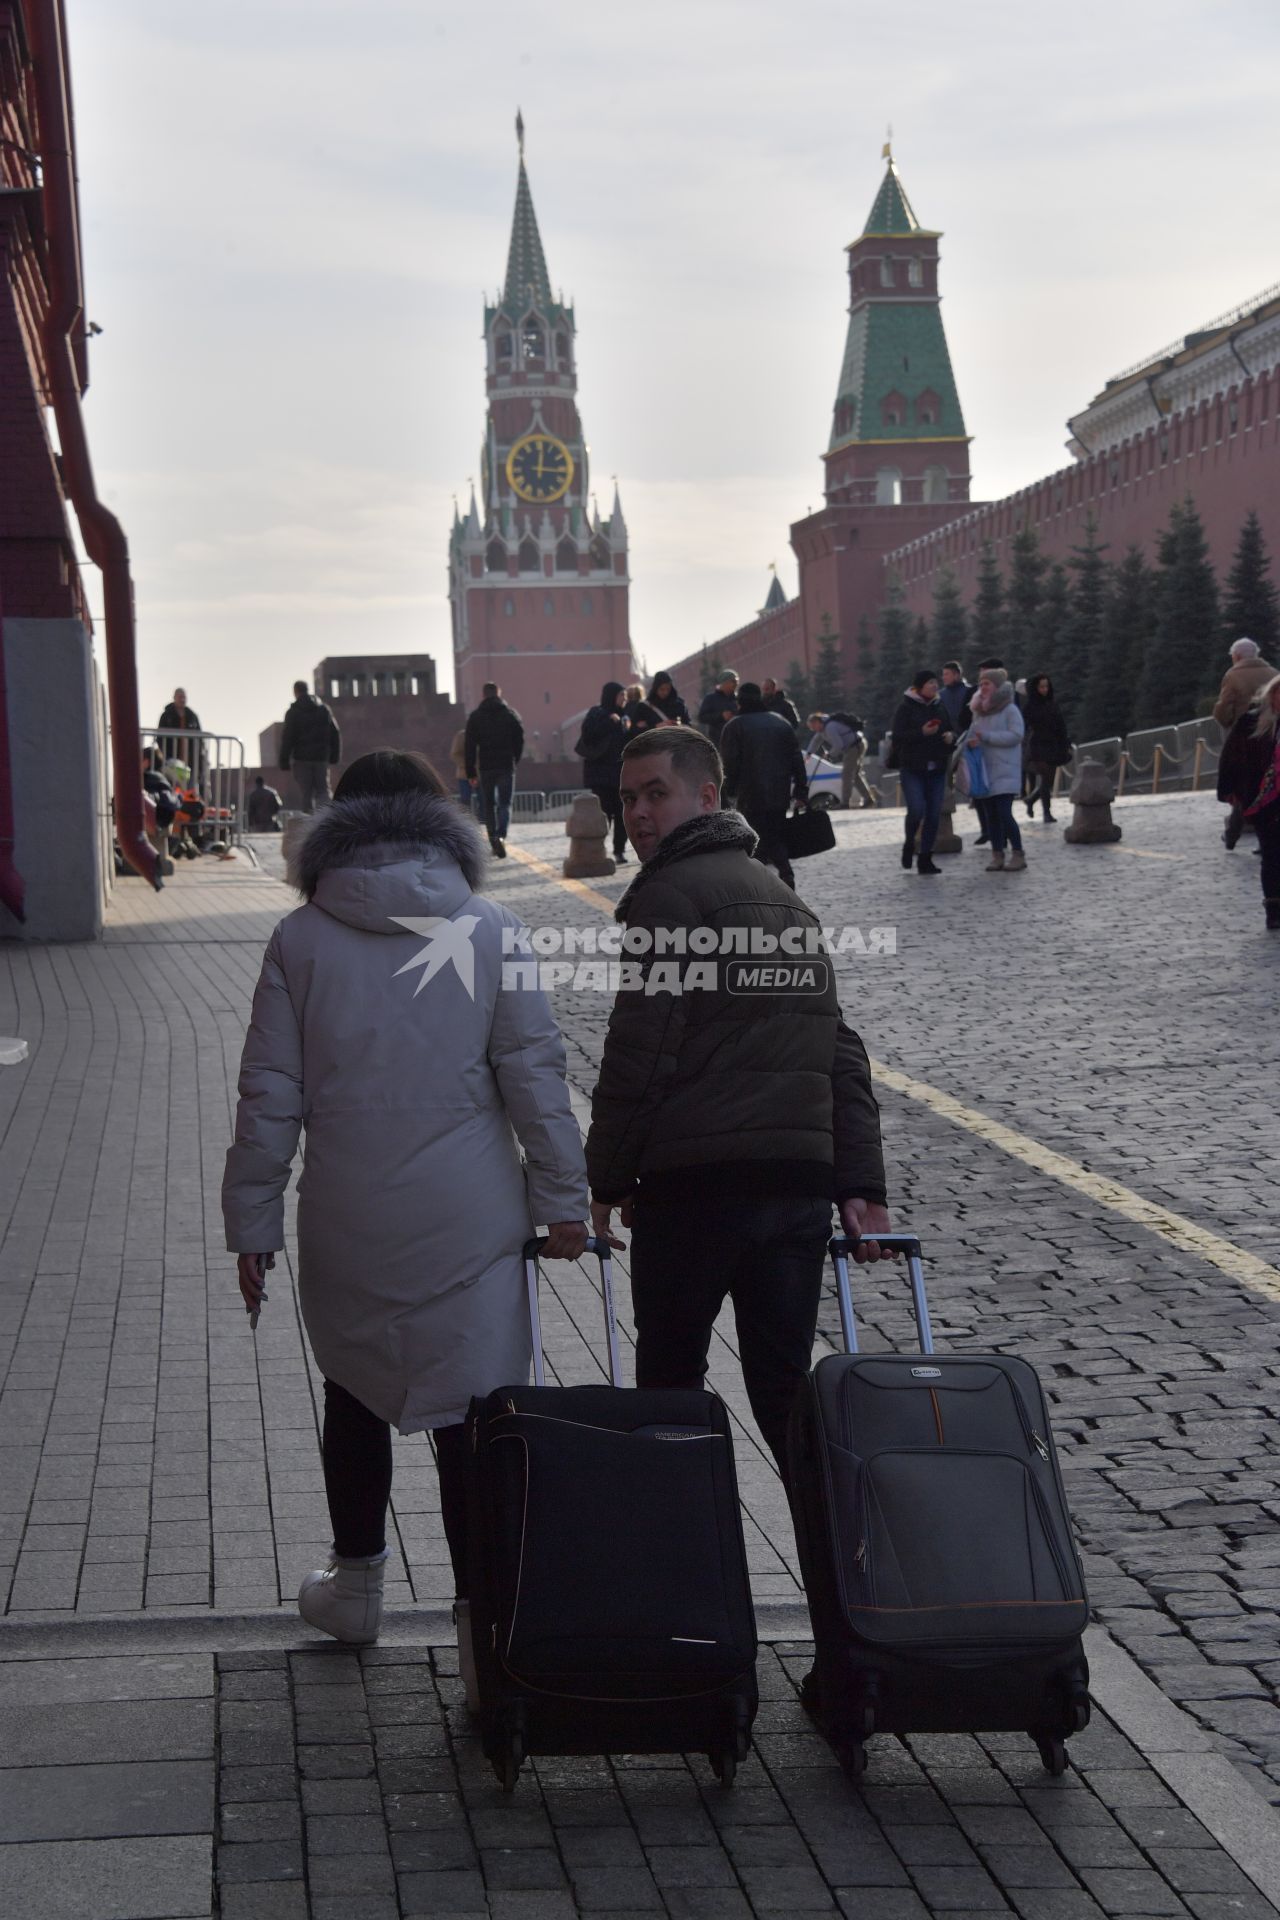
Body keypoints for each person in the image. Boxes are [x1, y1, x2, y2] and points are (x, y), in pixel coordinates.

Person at [222, 749, 589, 1656]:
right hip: (471, 1211)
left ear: (338, 821)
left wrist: (253, 1226)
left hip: (347, 1212)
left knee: (353, 1391)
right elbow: (535, 1078)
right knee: (473, 1415)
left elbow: (270, 1092)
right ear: (441, 818)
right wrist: (565, 1203)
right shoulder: (493, 927)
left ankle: (355, 1591)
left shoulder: (301, 938)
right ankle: (481, 1617)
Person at [585, 726, 892, 1486]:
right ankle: (843, 1589)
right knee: (787, 1403)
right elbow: (841, 1050)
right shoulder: (785, 901)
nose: (640, 813)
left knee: (669, 1402)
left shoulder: (667, 897)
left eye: (657, 793)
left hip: (696, 1193)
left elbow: (642, 1050)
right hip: (793, 1193)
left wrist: (605, 1178)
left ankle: (684, 1589)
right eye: (629, 798)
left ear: (708, 797)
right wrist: (861, 1184)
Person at [720, 681, 809, 889]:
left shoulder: (734, 726)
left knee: (756, 837)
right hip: (779, 790)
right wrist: (801, 789)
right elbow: (796, 758)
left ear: (739, 701)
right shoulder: (780, 723)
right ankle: (783, 873)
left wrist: (729, 792)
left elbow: (729, 764)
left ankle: (762, 882)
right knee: (773, 833)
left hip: (749, 793)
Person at [889, 670, 955, 876]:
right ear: (919, 686)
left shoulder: (939, 704)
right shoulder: (906, 707)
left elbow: (950, 728)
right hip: (912, 768)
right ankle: (910, 844)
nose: (935, 686)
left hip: (937, 767)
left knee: (934, 815)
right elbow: (898, 736)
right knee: (917, 810)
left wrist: (950, 736)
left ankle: (926, 857)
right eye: (930, 683)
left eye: (936, 682)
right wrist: (921, 733)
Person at [965, 667, 1026, 871]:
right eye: (981, 684)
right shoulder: (979, 711)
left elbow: (1017, 735)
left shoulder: (1010, 709)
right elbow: (975, 733)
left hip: (1005, 769)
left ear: (997, 686)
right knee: (991, 816)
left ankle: (1018, 853)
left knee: (1004, 813)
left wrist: (988, 737)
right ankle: (997, 854)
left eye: (987, 684)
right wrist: (973, 742)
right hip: (985, 771)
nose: (982, 688)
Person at [464, 681, 524, 859]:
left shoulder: (475, 717)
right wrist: (516, 758)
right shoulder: (510, 714)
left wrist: (471, 772)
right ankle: (501, 835)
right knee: (505, 804)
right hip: (506, 765)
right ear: (499, 694)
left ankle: (492, 839)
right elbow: (520, 739)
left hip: (486, 767)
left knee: (489, 805)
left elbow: (470, 746)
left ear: (483, 695)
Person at [1238, 676, 1280, 929]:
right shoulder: (1253, 723)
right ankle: (1274, 909)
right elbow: (1237, 760)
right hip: (1265, 800)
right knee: (1272, 855)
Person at [578, 680, 631, 863]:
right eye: (621, 695)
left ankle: (619, 850)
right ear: (611, 696)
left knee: (622, 813)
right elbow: (588, 735)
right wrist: (609, 722)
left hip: (621, 774)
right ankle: (598, 848)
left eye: (624, 695)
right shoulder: (597, 713)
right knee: (603, 814)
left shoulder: (626, 716)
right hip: (601, 776)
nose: (624, 698)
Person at [280, 680, 342, 814]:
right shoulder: (324, 709)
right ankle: (326, 819)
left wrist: (284, 760)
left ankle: (309, 822)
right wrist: (334, 756)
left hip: (301, 758)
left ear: (295, 691)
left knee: (306, 792)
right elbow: (335, 732)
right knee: (323, 789)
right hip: (321, 757)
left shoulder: (293, 712)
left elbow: (288, 737)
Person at [1022, 674, 1072, 823]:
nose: (1044, 689)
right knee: (1045, 776)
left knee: (1048, 780)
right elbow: (1026, 727)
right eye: (1041, 687)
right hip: (1038, 745)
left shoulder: (1052, 704)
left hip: (1053, 745)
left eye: (1046, 686)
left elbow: (1061, 725)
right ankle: (1046, 812)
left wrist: (1064, 744)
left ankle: (1031, 800)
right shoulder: (1030, 706)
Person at [1213, 639, 1277, 734]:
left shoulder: (1232, 676)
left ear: (1237, 657)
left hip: (1244, 729)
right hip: (1273, 727)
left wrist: (1227, 723)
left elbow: (1225, 706)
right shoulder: (1274, 673)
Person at [822, 711, 878, 810]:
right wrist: (809, 753)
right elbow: (816, 740)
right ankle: (869, 800)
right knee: (855, 775)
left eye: (812, 725)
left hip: (853, 747)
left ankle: (845, 803)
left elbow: (839, 745)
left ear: (818, 722)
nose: (812, 728)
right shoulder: (827, 726)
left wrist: (830, 754)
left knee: (846, 774)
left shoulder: (830, 727)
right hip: (859, 743)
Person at [158, 688, 205, 786]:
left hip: (190, 761)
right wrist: (166, 755)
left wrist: (199, 757)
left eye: (184, 697)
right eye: (180, 697)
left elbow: (200, 738)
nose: (182, 700)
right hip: (171, 760)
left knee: (190, 787)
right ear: (174, 698)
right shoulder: (166, 716)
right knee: (172, 786)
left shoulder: (192, 716)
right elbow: (160, 737)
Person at [698, 671, 740, 747]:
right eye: (733, 681)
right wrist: (721, 716)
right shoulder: (711, 699)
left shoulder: (738, 699)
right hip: (719, 741)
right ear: (724, 683)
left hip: (738, 739)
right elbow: (702, 717)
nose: (736, 684)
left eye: (737, 681)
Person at [938, 662, 974, 737]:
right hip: (947, 738)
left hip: (968, 736)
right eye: (943, 674)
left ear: (956, 675)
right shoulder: (940, 695)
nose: (943, 677)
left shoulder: (970, 692)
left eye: (946, 674)